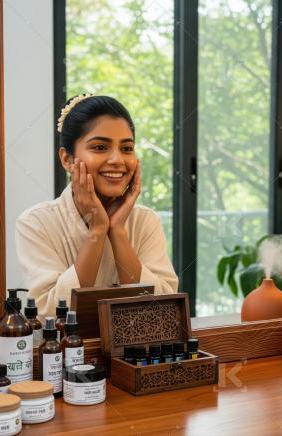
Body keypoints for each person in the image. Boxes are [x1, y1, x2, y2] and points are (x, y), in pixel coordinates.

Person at [16, 94, 178, 317]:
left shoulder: (145, 220)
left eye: (127, 148)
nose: (117, 160)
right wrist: (98, 230)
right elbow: (49, 315)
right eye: (100, 147)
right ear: (67, 159)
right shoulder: (36, 223)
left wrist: (117, 231)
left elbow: (164, 310)